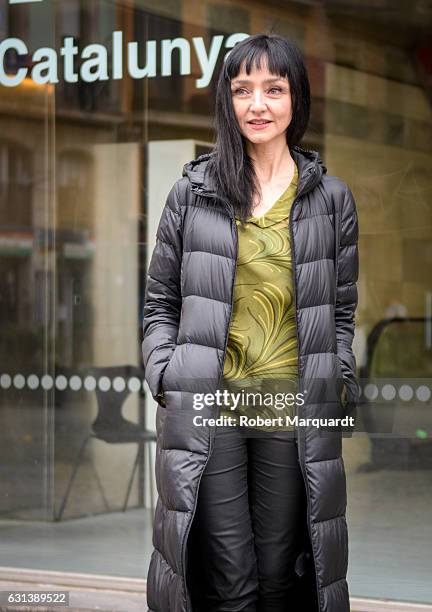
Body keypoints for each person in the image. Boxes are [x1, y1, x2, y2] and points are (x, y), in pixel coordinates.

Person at [142, 32, 359, 612]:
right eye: (242, 90)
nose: (257, 104)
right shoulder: (193, 191)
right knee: (229, 578)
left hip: (292, 407)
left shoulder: (331, 199)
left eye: (273, 89)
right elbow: (159, 303)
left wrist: (337, 372)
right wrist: (165, 373)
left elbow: (341, 310)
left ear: (296, 100)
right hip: (209, 409)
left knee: (280, 574)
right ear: (227, 101)